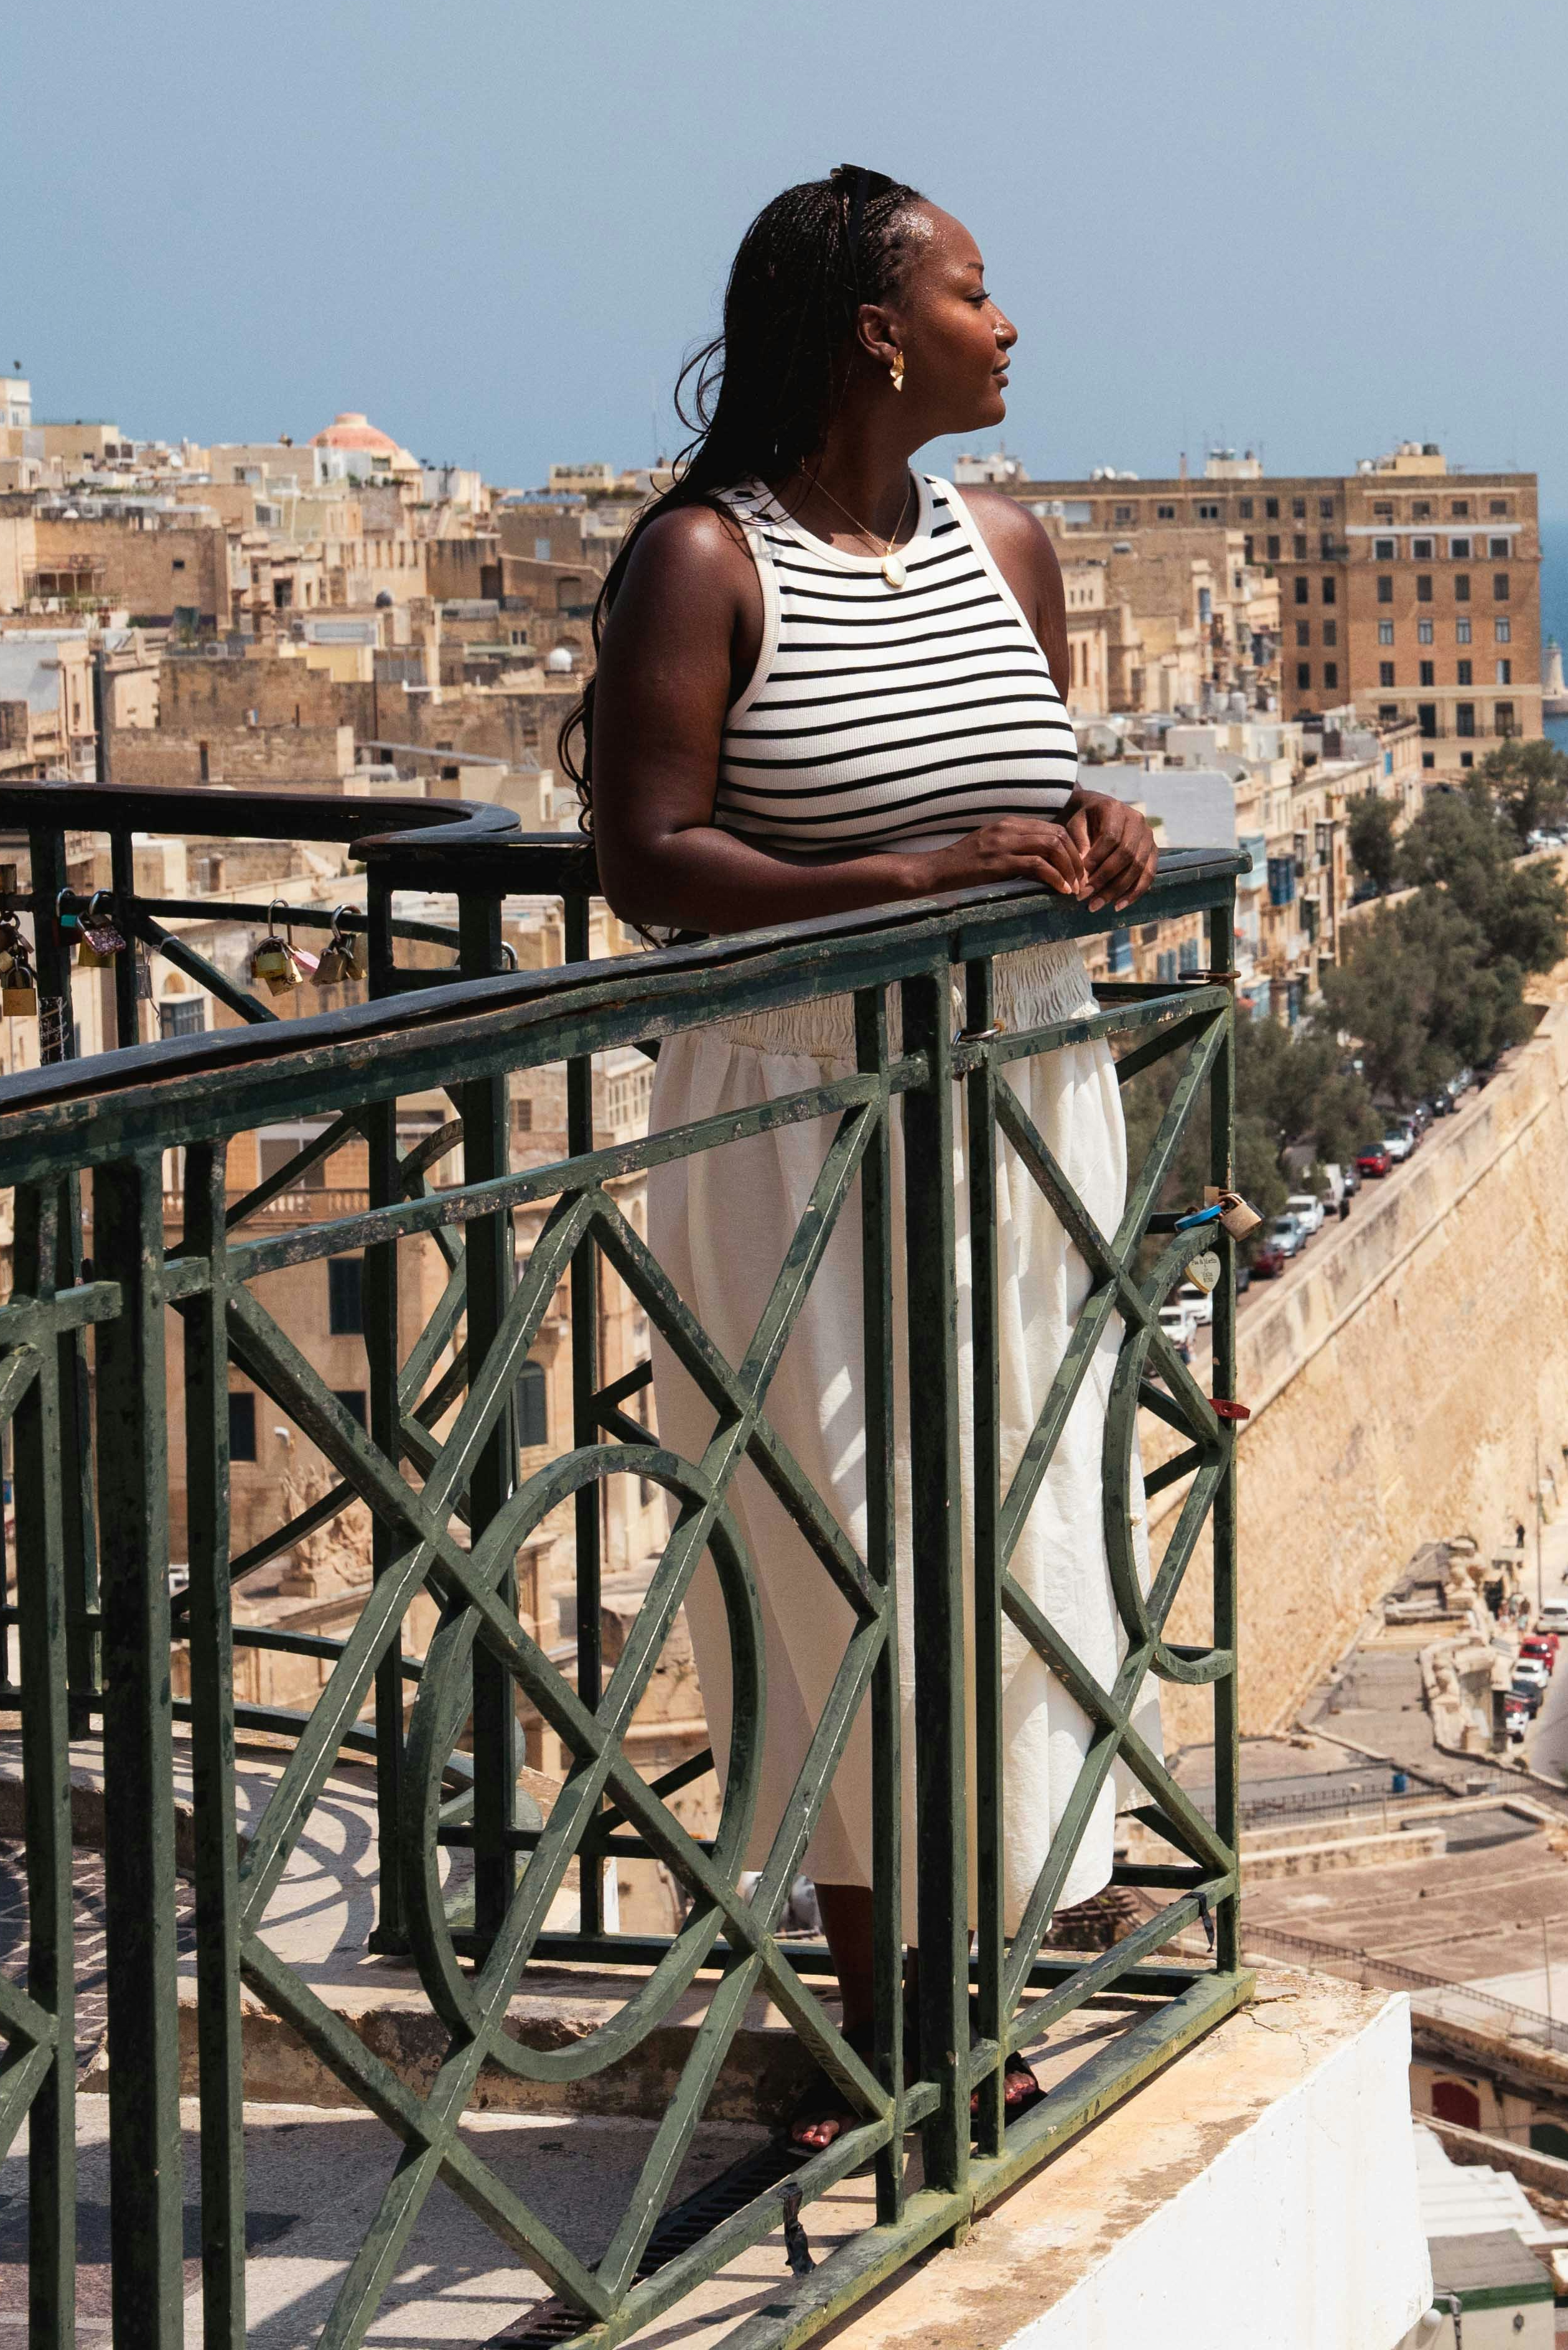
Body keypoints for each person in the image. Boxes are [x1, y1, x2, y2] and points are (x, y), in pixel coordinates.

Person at [569, 164, 1164, 2142]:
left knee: (1019, 1536)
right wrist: (908, 879)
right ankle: (880, 2053)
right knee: (837, 1557)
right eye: (981, 293)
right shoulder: (700, 562)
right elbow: (647, 858)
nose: (1015, 327)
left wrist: (1096, 831)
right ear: (880, 334)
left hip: (1020, 1088)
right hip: (798, 1104)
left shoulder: (1009, 539)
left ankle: (978, 2016)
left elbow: (1011, 777)